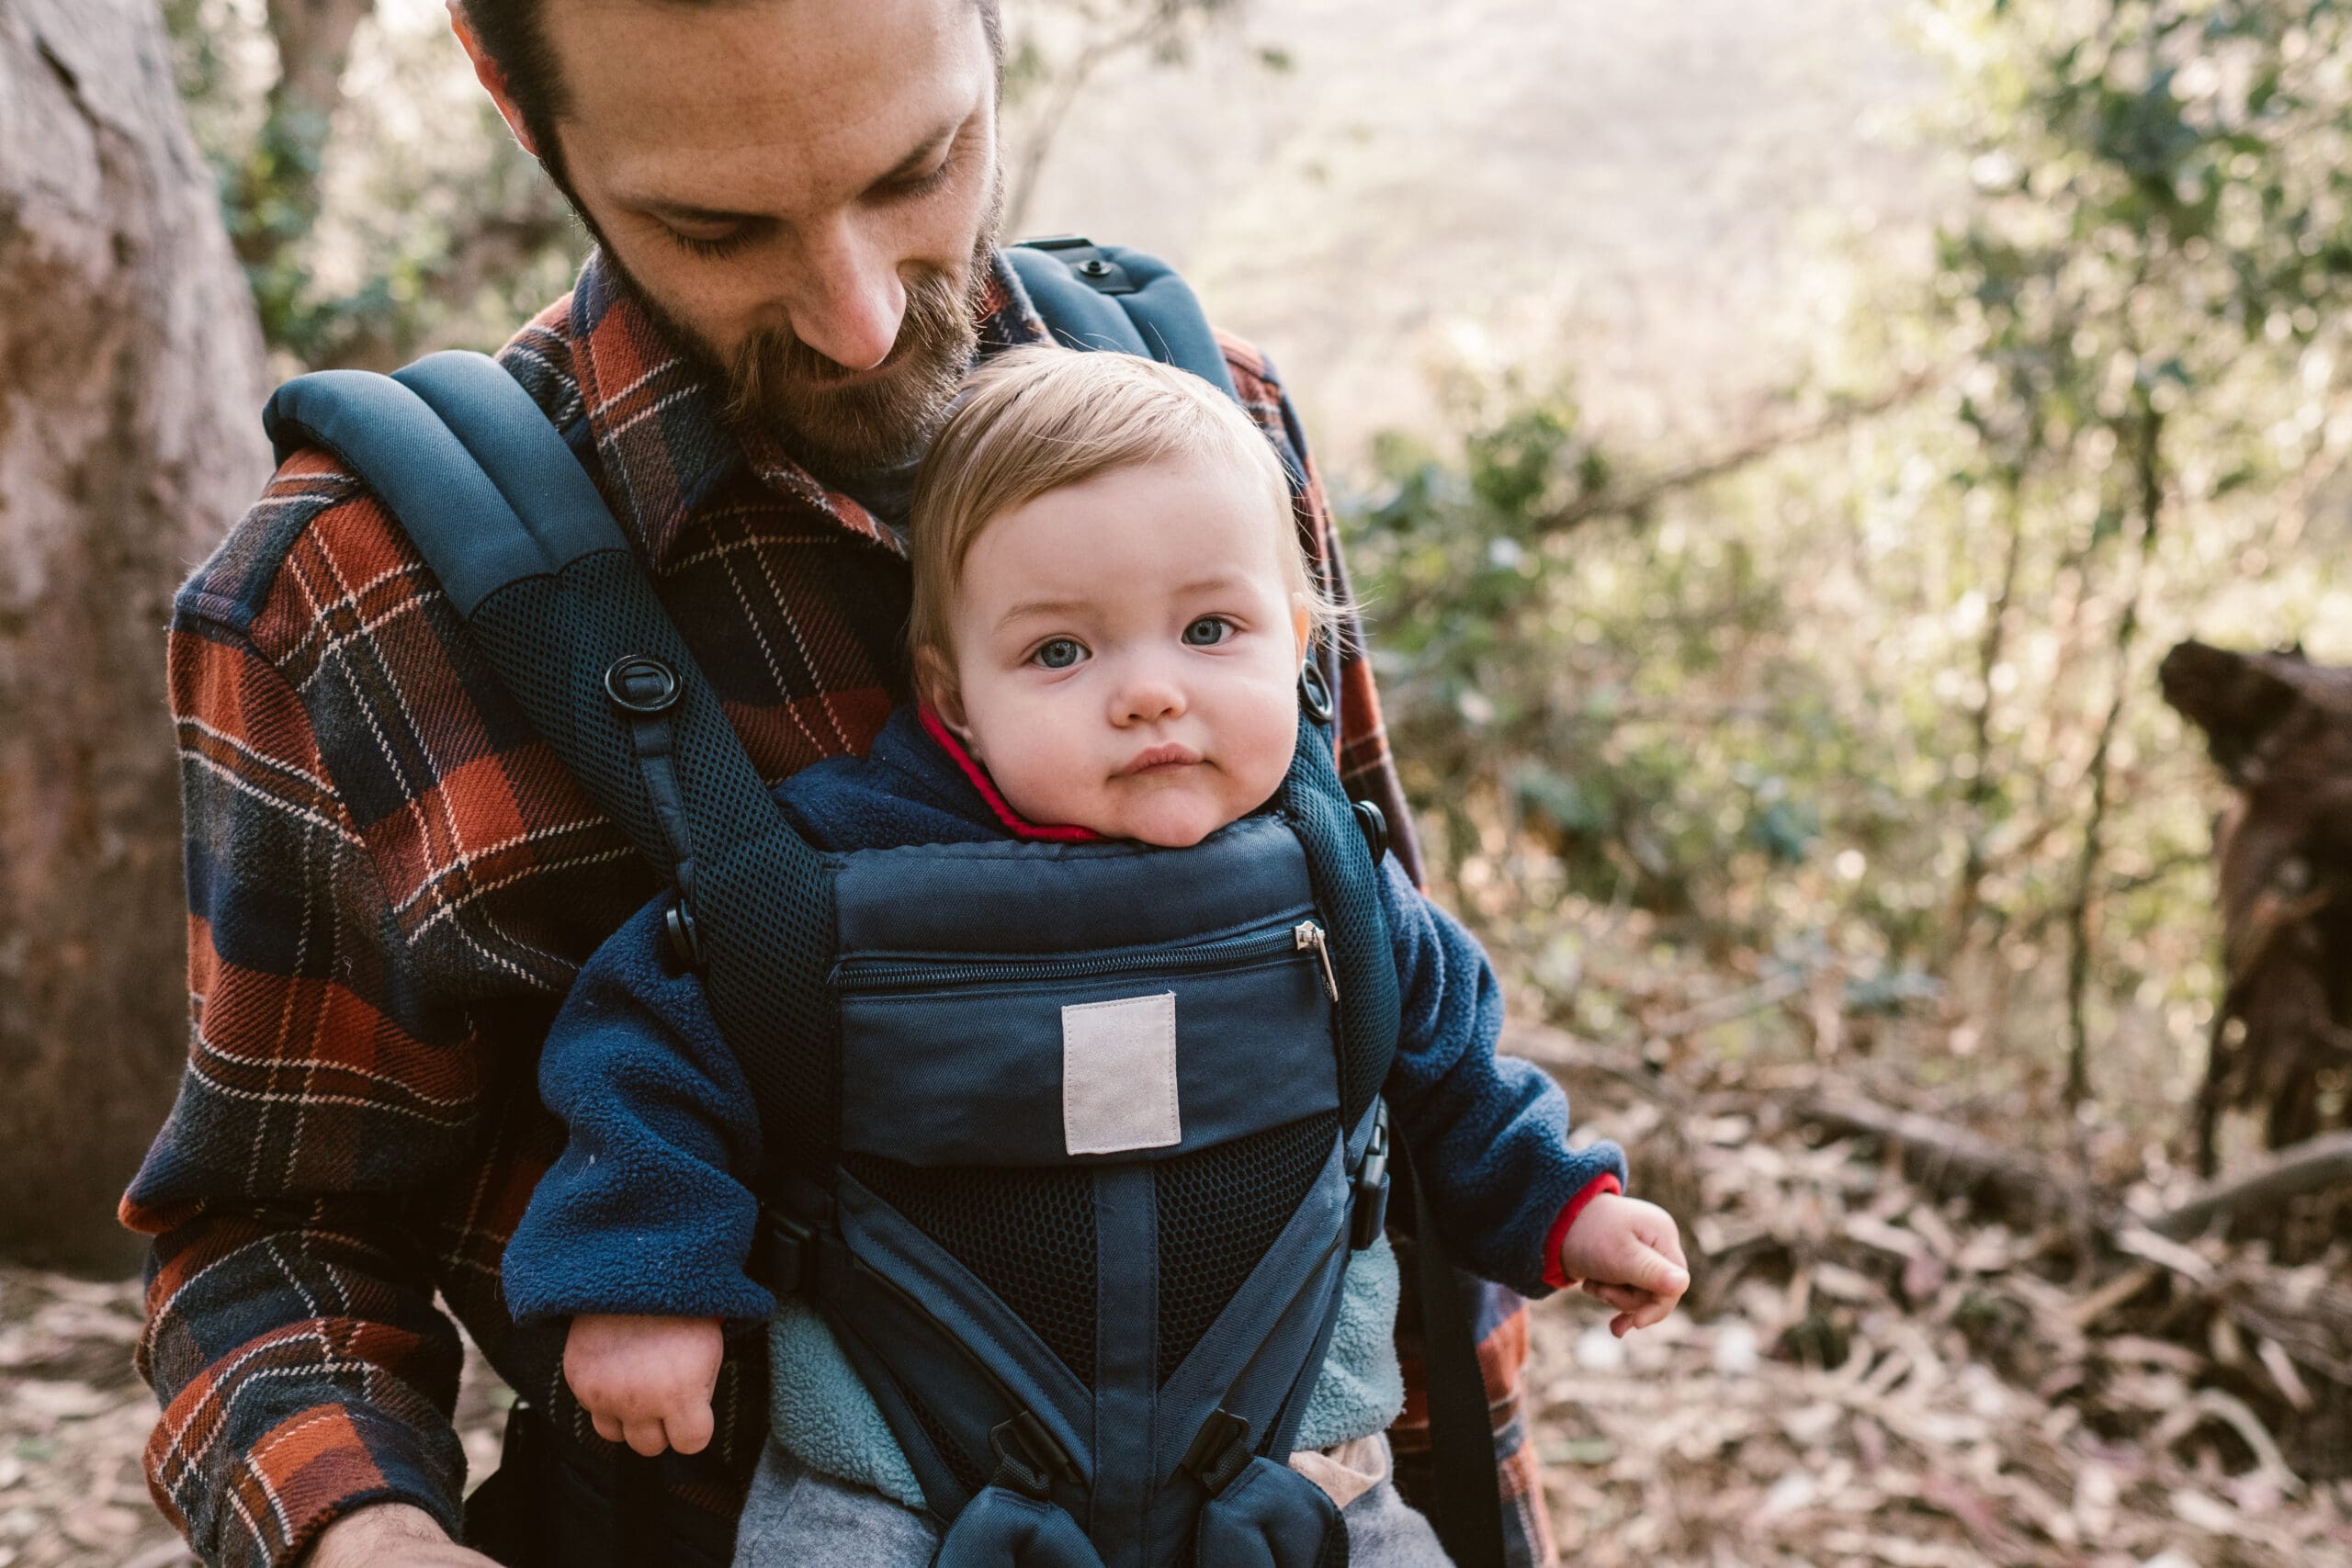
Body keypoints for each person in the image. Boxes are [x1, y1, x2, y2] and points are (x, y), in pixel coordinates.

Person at [118, 2, 1605, 1564]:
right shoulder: (360, 599)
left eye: (923, 167)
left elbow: (1378, 1036)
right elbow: (271, 1238)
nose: (858, 317)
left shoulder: (1210, 432)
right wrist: (366, 1535)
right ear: (510, 93)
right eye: (717, 224)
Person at [496, 348, 1690, 1564]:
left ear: (1295, 645)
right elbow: (649, 1041)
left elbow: (1457, 1072)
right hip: (901, 1482)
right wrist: (647, 1276)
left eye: (1210, 630)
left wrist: (1569, 1207)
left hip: (1298, 1469)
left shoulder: (1328, 877)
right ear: (953, 699)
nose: (1150, 694)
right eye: (1062, 652)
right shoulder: (839, 874)